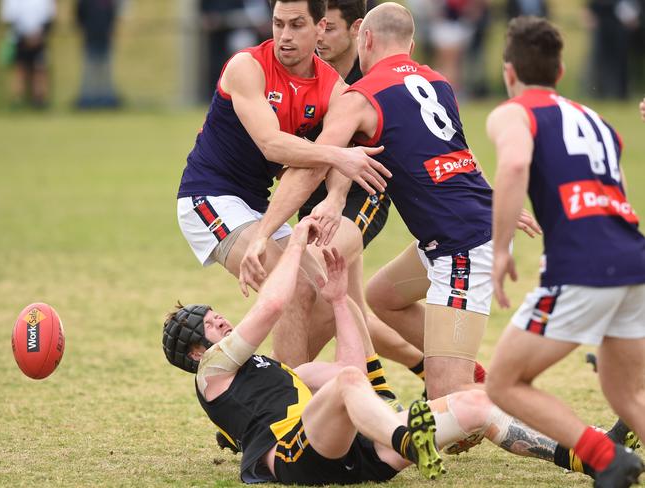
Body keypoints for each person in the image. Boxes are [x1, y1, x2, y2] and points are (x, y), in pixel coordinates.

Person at [163, 218, 633, 484]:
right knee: (352, 388)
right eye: (211, 324)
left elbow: (354, 376)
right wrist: (293, 245)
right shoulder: (212, 376)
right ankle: (409, 437)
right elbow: (271, 305)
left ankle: (591, 455)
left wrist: (338, 302)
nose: (222, 320)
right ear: (198, 351)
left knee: (476, 403)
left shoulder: (288, 374)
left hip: (352, 450)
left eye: (216, 316)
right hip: (292, 459)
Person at [239, 1, 541, 403]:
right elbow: (458, 153)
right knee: (382, 297)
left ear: (364, 36)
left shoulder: (361, 95)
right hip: (458, 228)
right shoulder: (437, 81)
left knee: (450, 403)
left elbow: (314, 167)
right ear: (411, 45)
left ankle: (570, 439)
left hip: (460, 242)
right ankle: (448, 367)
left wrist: (264, 231)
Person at [176, 0, 391, 368]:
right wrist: (336, 156)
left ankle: (266, 394)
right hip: (208, 197)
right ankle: (291, 411)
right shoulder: (248, 66)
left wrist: (336, 196)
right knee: (291, 289)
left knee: (329, 297)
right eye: (278, 24)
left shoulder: (334, 89)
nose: (284, 36)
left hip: (258, 205)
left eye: (296, 25)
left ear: (320, 27)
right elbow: (271, 143)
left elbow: (338, 148)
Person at [485, 15, 645, 488]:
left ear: (508, 71)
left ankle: (608, 458)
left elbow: (514, 164)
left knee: (502, 383)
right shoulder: (599, 121)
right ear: (560, 71)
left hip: (585, 267)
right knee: (627, 395)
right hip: (633, 258)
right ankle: (614, 460)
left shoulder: (514, 111)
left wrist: (499, 249)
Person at [0, 0, 56, 109]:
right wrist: (25, 37)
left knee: (40, 69)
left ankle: (39, 100)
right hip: (19, 39)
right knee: (20, 69)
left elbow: (49, 18)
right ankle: (17, 100)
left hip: (40, 39)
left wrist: (37, 36)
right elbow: (10, 19)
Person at [75, 0, 123, 109]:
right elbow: (79, 16)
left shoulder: (108, 2)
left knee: (106, 72)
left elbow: (113, 16)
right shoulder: (85, 2)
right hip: (90, 38)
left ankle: (107, 99)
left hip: (105, 39)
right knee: (89, 72)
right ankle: (87, 99)